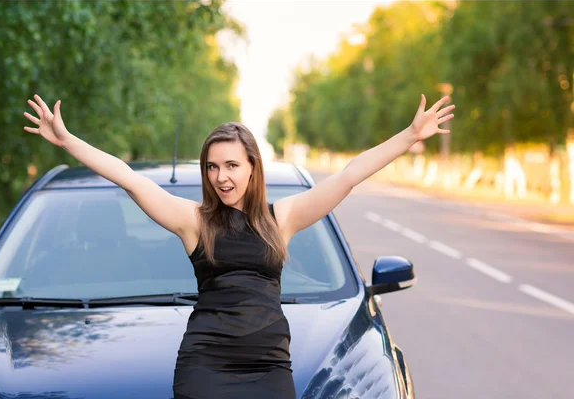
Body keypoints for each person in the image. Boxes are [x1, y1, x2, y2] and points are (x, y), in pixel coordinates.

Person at [23, 93, 455, 398]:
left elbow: (348, 176)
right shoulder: (193, 221)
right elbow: (128, 178)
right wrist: (67, 141)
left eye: (231, 164)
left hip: (269, 370)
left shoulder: (280, 218)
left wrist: (409, 136)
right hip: (205, 368)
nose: (220, 176)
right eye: (212, 166)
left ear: (252, 167)